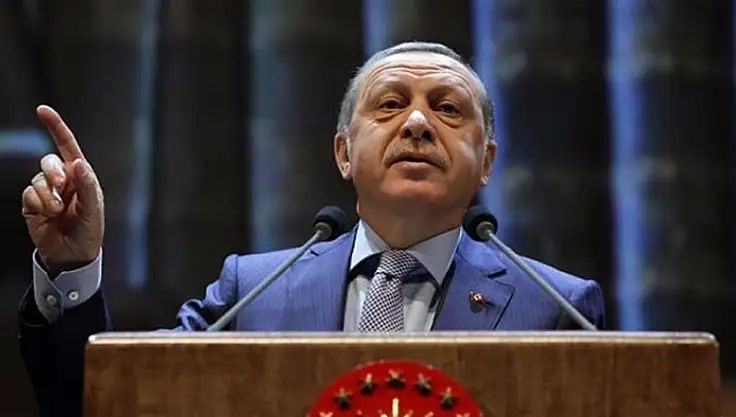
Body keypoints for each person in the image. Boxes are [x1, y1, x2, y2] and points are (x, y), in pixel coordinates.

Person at [17, 41, 605, 417]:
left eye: (448, 109)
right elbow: (106, 401)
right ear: (344, 153)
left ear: (487, 162)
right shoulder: (254, 292)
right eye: (390, 104)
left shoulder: (555, 307)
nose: (418, 123)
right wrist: (73, 268)